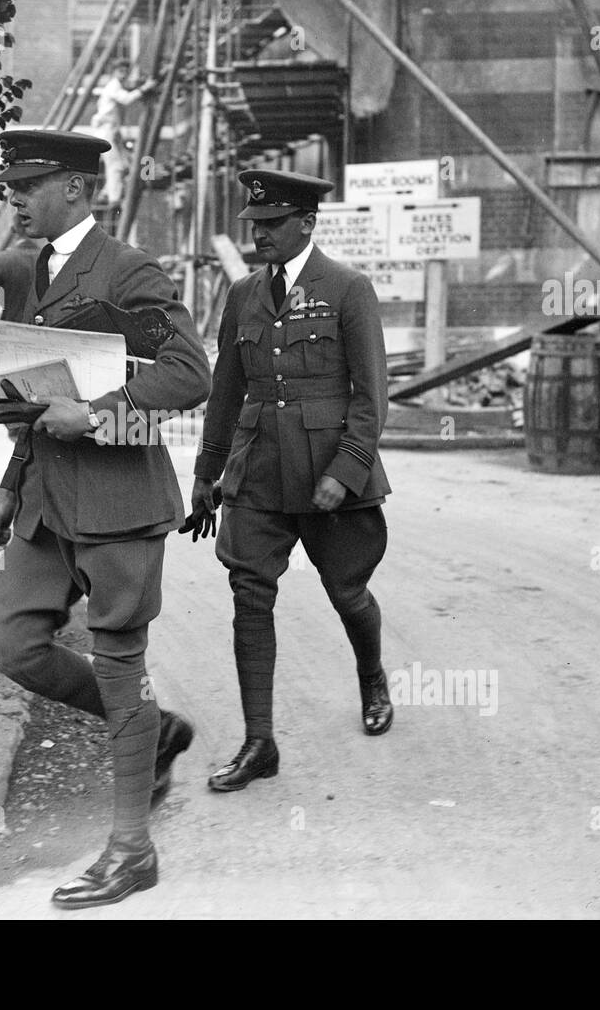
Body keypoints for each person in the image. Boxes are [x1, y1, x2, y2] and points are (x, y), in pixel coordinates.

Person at [0, 129, 211, 908]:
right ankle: (155, 731)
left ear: (75, 188)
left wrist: (102, 412)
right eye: (12, 183)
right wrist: (11, 483)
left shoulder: (128, 268)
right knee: (14, 644)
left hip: (117, 501)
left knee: (118, 661)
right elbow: (39, 392)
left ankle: (130, 850)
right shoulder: (33, 270)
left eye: (29, 183)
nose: (14, 195)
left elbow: (189, 374)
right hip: (46, 501)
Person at [187, 168, 394, 793]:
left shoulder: (347, 289)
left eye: (272, 225)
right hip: (258, 473)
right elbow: (226, 391)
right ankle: (260, 742)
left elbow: (371, 394)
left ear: (307, 223)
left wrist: (348, 468)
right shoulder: (243, 294)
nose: (259, 238)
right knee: (250, 593)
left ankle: (372, 675)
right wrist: (207, 472)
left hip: (330, 476)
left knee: (347, 591)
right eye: (254, 227)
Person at [90, 61, 157, 209]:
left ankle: (106, 193)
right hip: (105, 131)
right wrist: (145, 87)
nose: (124, 74)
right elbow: (126, 98)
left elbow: (130, 89)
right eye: (120, 71)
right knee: (115, 165)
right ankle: (114, 199)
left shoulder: (119, 85)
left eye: (126, 71)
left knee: (126, 164)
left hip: (113, 131)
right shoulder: (113, 86)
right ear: (113, 72)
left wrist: (142, 86)